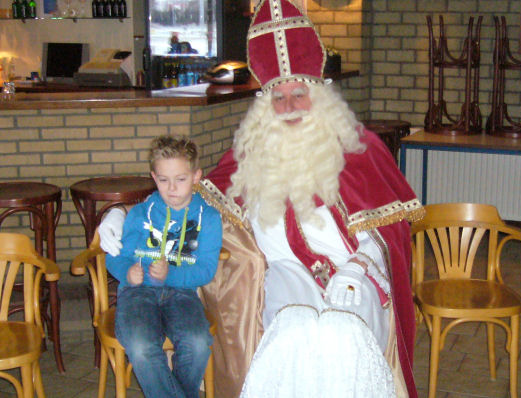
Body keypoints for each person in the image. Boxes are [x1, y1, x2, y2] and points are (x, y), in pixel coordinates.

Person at [99, 1, 423, 397]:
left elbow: (386, 231)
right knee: (291, 333)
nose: (289, 108)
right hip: (287, 270)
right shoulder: (250, 154)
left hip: (353, 271)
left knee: (344, 335)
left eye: (299, 94)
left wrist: (357, 266)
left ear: (320, 94)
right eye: (278, 97)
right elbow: (184, 196)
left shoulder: (361, 148)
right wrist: (121, 213)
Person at [103, 135, 222, 398]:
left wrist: (173, 273)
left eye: (180, 179)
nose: (172, 188)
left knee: (198, 343)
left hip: (182, 293)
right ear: (154, 178)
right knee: (142, 345)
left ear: (195, 176)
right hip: (138, 293)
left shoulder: (209, 219)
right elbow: (114, 255)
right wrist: (126, 272)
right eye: (164, 180)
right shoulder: (139, 214)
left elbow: (206, 270)